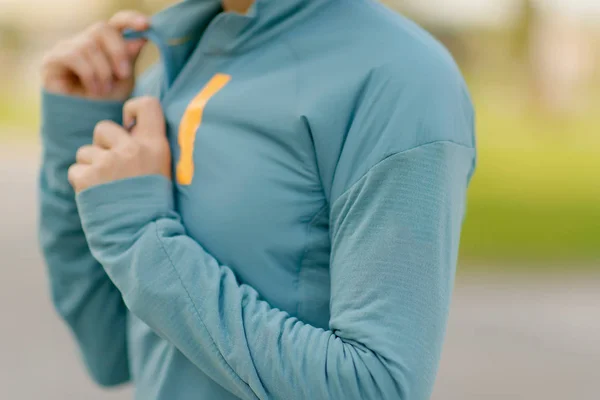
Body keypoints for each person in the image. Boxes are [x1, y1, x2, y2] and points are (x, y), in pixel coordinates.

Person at [39, 0, 476, 399]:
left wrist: (138, 236)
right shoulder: (172, 68)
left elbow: (373, 388)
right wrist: (77, 129)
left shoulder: (400, 79)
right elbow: (111, 351)